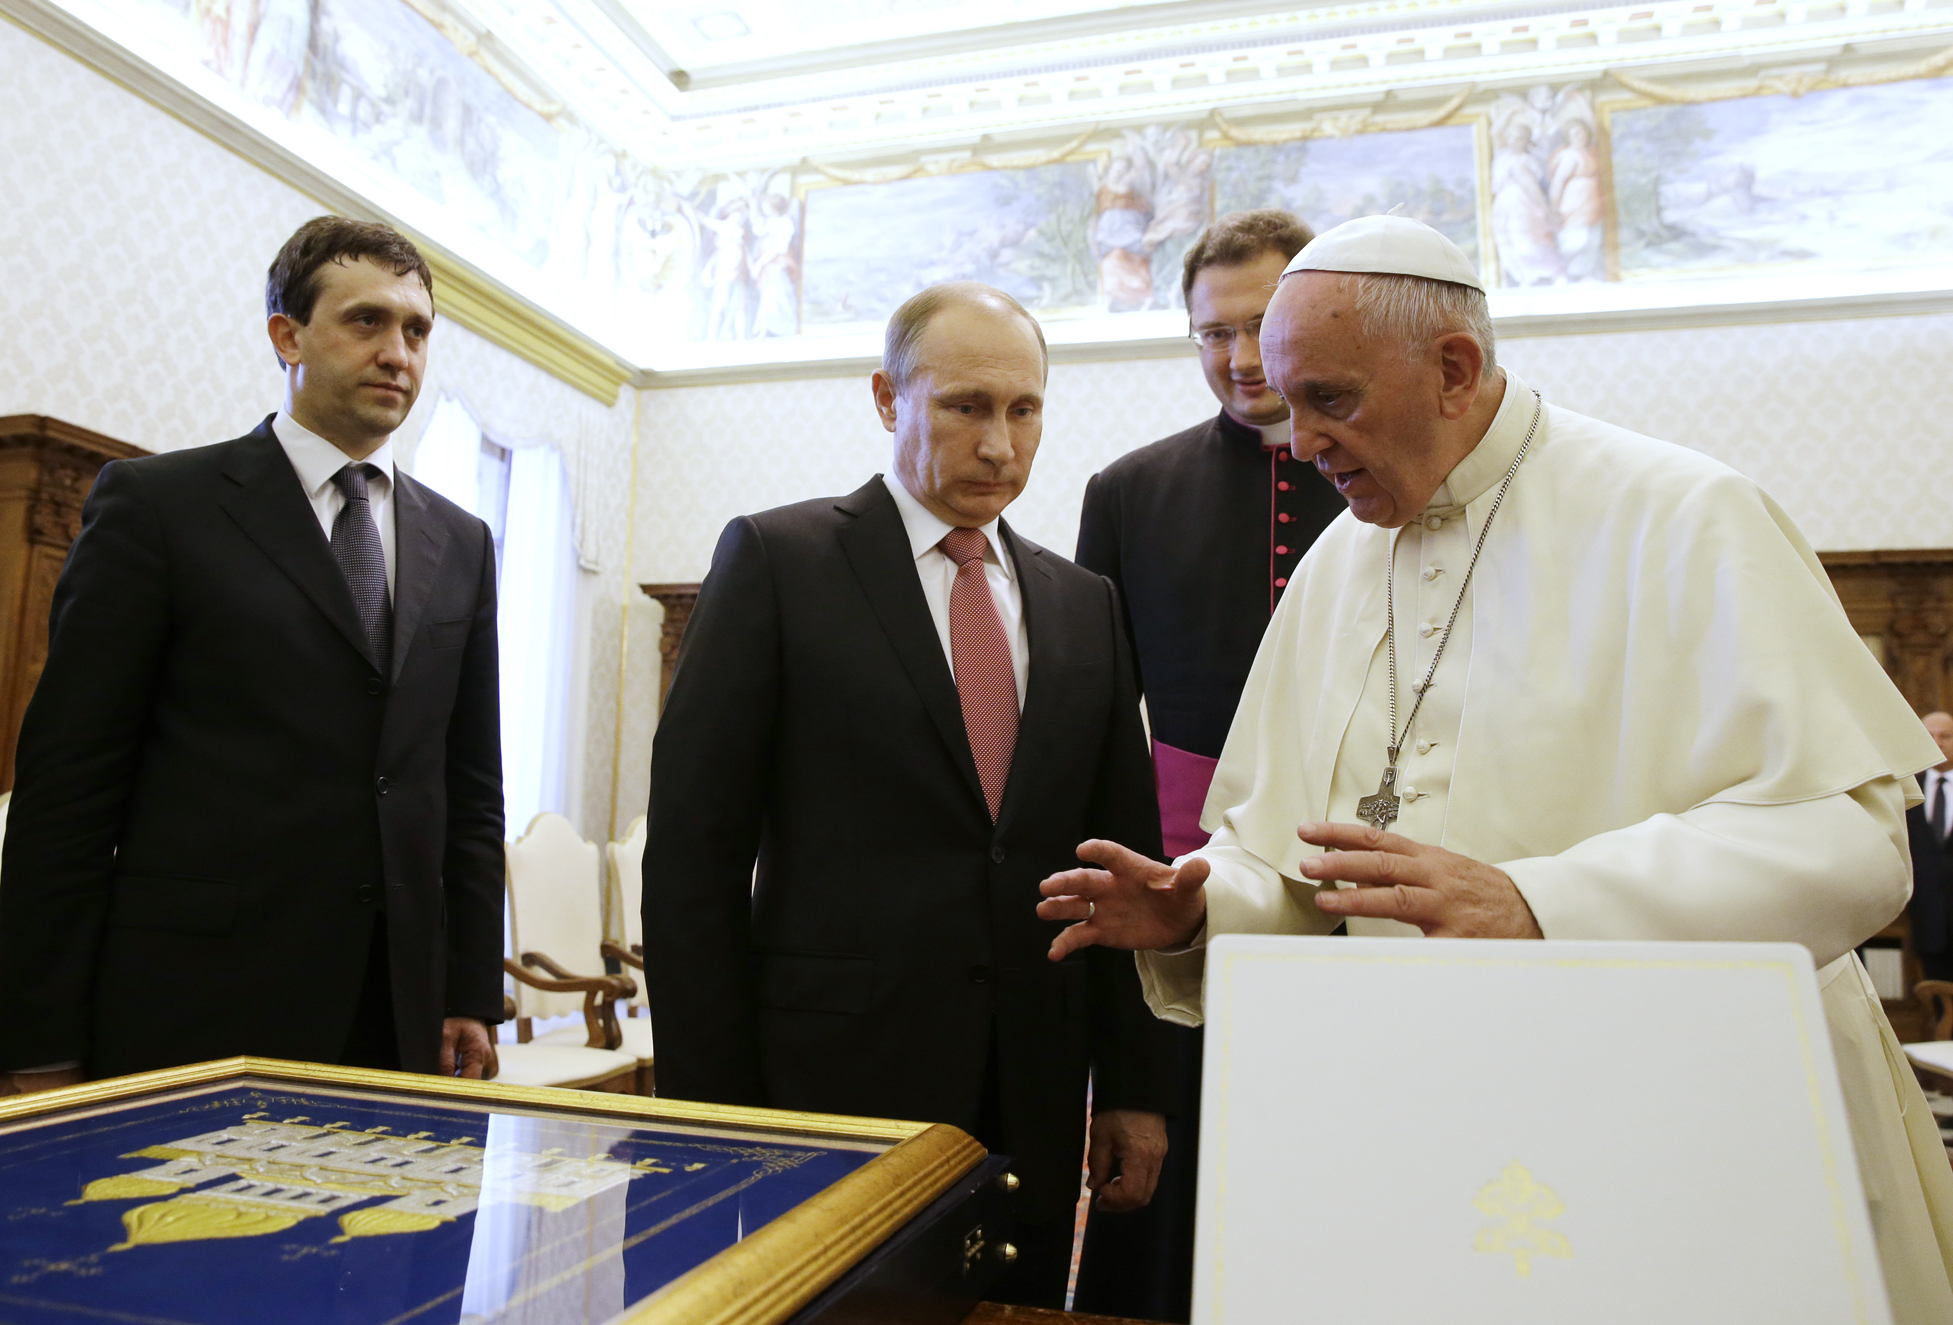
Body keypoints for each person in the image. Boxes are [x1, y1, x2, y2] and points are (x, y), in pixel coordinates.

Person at [1037, 215, 1953, 1320]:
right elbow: (1292, 862)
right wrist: (1200, 904)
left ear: (1454, 369)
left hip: (1688, 1116)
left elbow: (1853, 845)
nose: (1301, 440)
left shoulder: (1681, 514)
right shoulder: (1339, 562)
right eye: (1290, 402)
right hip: (1430, 1108)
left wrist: (1539, 903)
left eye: (1331, 399)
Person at [645, 281, 1175, 1308]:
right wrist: (709, 1111)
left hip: (1031, 1083)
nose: (1000, 443)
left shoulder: (1084, 603)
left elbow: (1121, 863)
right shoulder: (780, 561)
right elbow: (693, 859)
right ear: (889, 399)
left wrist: (1134, 1088)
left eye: (1024, 409)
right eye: (966, 406)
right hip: (833, 1082)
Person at [0, 217, 504, 1094]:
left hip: (396, 1013)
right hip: (197, 1007)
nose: (398, 353)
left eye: (416, 330)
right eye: (366, 320)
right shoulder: (160, 507)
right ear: (287, 336)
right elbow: (68, 790)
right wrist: (37, 1042)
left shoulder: (462, 542)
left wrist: (467, 991)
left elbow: (469, 792)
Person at [1069, 208, 1340, 1323]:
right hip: (1178, 888)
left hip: (1354, 884)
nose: (1237, 357)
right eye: (1211, 333)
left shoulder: (1384, 474)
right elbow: (1094, 726)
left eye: (1259, 326)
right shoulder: (1129, 490)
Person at [1908, 712, 1953, 982]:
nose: (1938, 743)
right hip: (1926, 917)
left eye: (1945, 736)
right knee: (1935, 994)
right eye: (1930, 736)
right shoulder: (1906, 789)